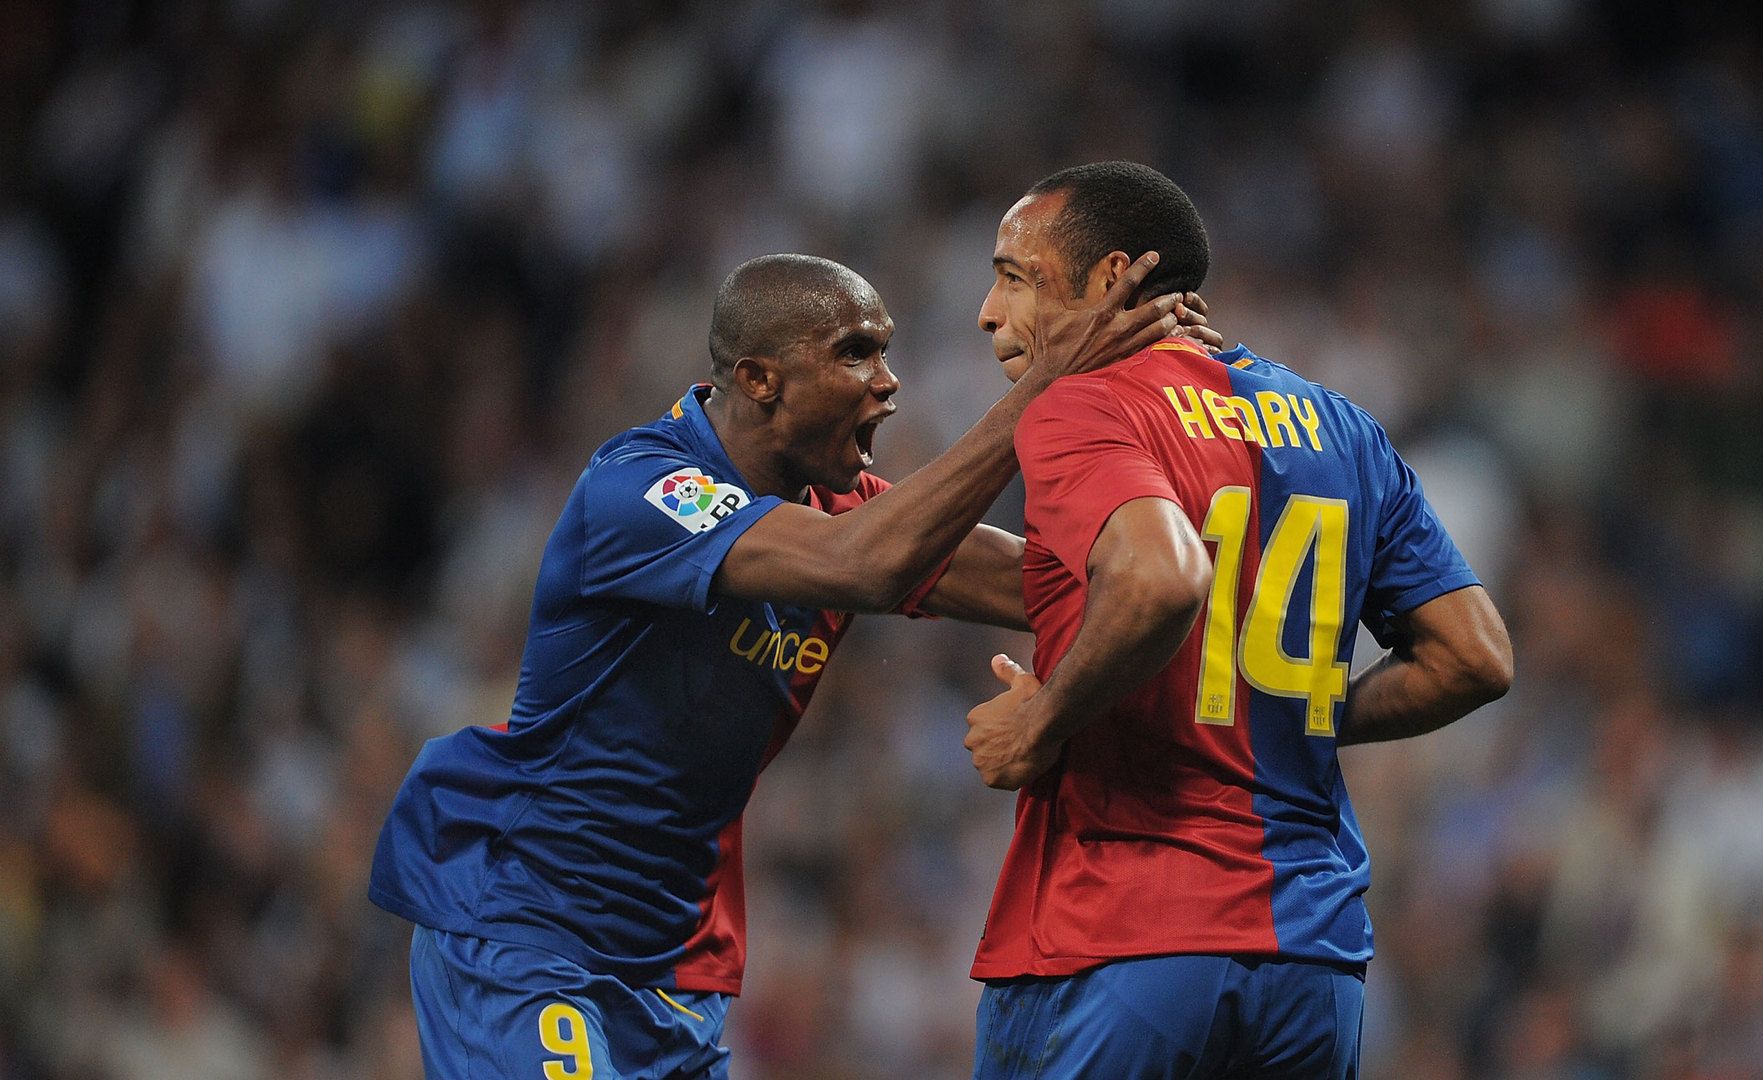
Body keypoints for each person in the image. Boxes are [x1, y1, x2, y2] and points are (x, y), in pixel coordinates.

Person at [369, 251, 1213, 1079]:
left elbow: (1051, 581)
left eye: (884, 351)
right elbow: (865, 564)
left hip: (672, 964)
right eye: (855, 353)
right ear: (759, 378)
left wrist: (1178, 454)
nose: (887, 381)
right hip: (526, 927)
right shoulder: (643, 489)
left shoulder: (840, 508)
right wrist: (1043, 388)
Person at [962, 161, 1515, 1079]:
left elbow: (1161, 579)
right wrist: (1288, 709)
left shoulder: (1081, 406)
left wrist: (1043, 716)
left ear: (1112, 280)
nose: (988, 310)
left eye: (1015, 277)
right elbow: (1475, 657)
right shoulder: (1342, 425)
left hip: (1123, 935)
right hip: (1313, 959)